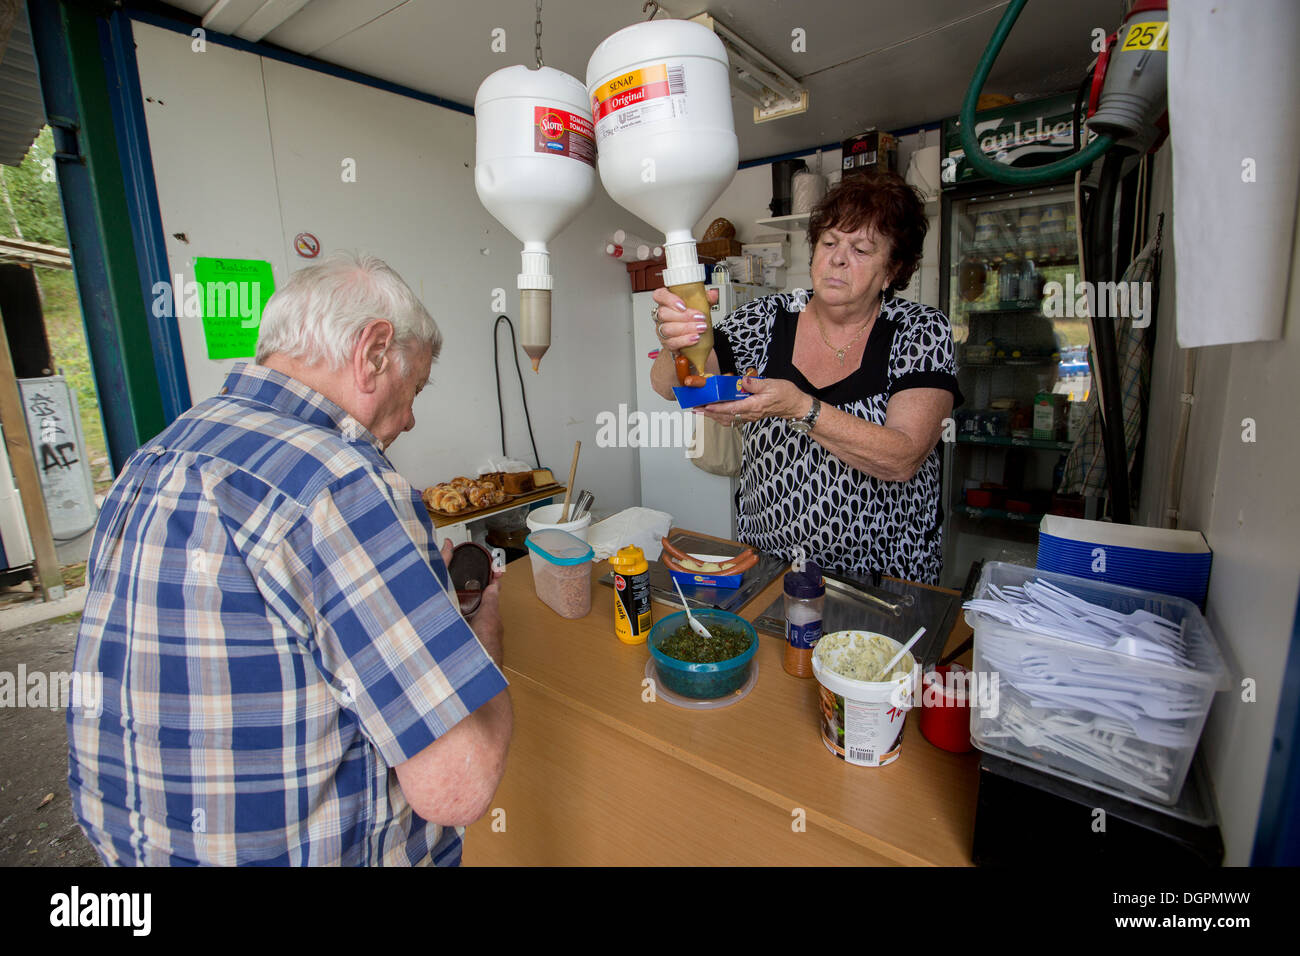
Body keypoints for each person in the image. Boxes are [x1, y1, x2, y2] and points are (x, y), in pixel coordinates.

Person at [67, 251, 512, 865]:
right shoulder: (341, 483)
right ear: (374, 351)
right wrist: (480, 626)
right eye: (415, 389)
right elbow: (458, 785)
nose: (410, 419)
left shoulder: (153, 458)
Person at [651, 171, 962, 584]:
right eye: (829, 242)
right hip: (770, 566)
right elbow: (672, 387)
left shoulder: (919, 331)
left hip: (886, 578)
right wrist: (678, 341)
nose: (837, 258)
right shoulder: (765, 318)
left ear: (893, 269)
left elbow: (902, 459)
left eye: (862, 249)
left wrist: (801, 407)